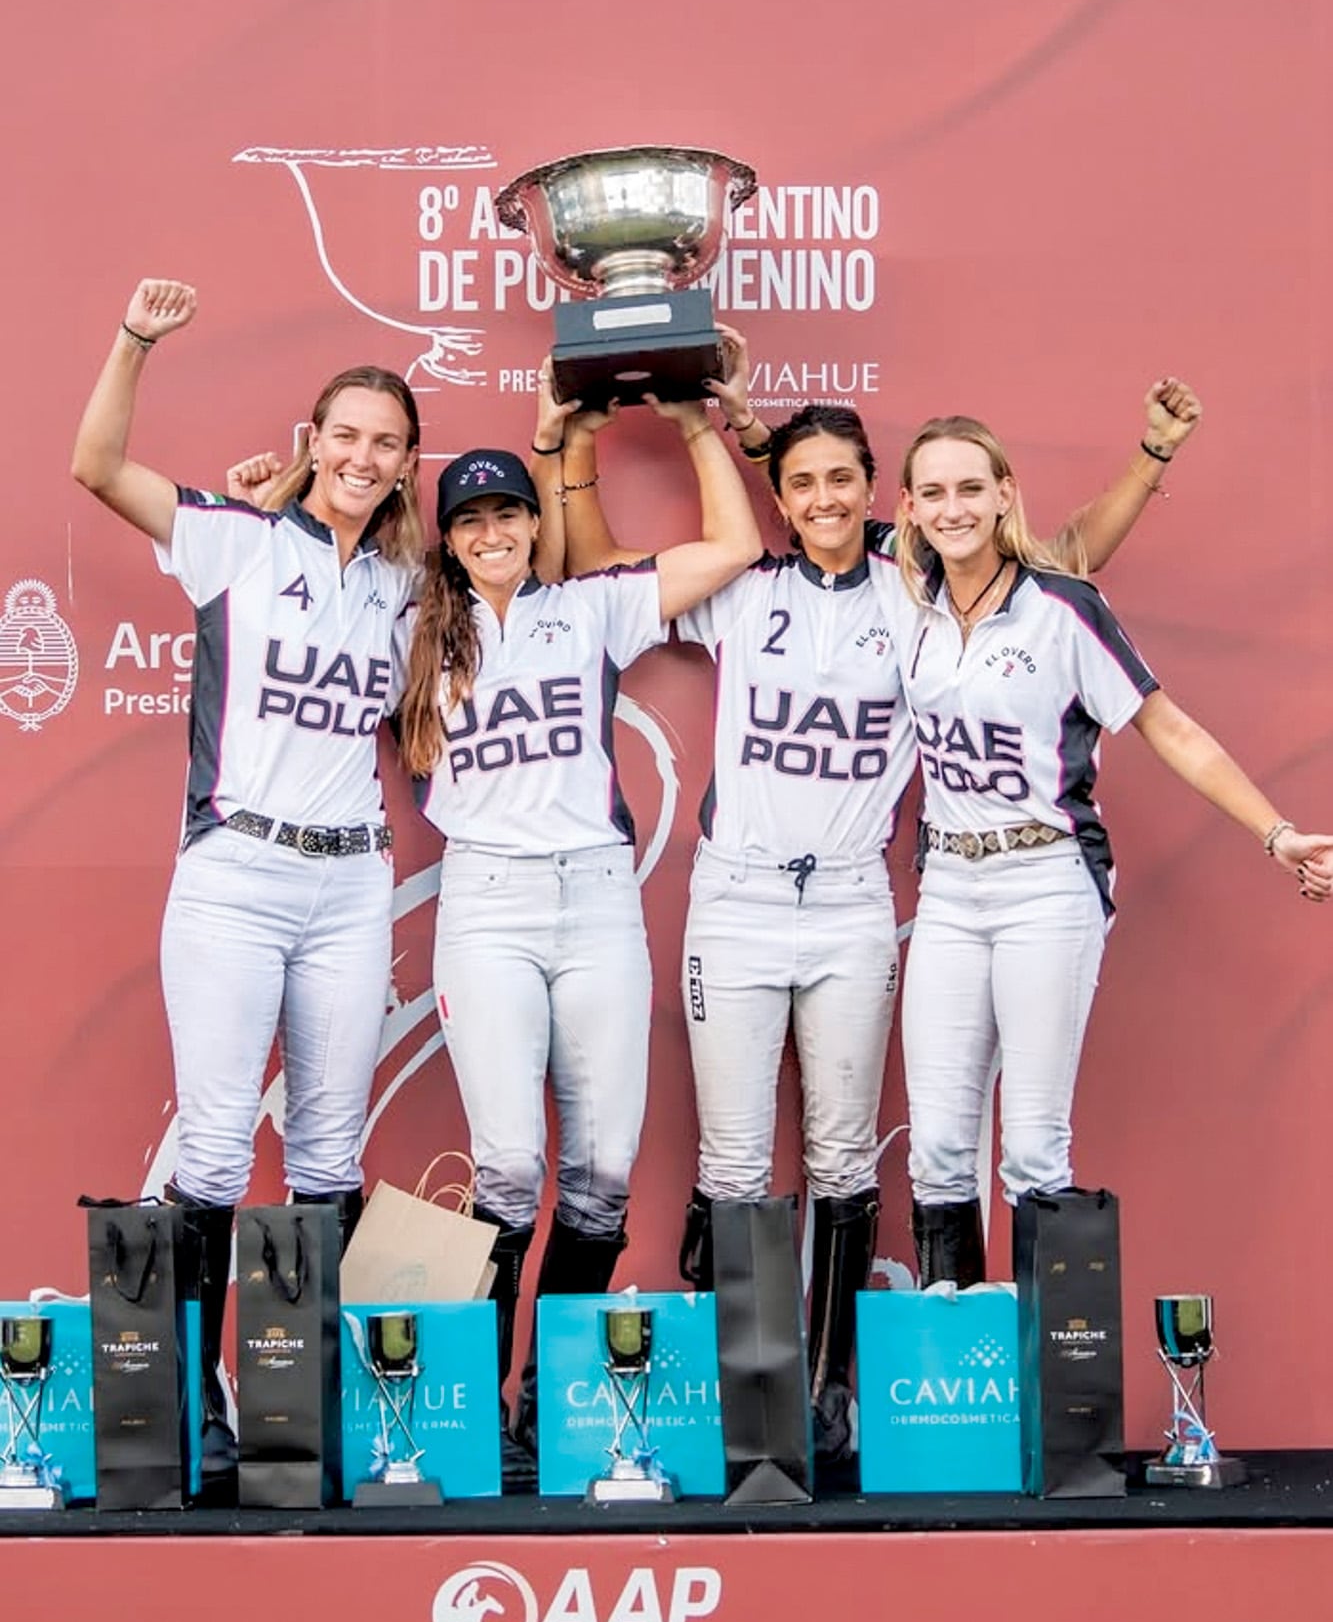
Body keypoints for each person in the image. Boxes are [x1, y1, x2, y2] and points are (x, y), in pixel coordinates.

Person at [560, 333, 1202, 1458]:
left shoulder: (917, 593)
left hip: (856, 902)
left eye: (841, 479)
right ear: (781, 491)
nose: (820, 498)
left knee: (847, 1157)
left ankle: (832, 1393)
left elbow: (1059, 556)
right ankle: (745, 1412)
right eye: (800, 481)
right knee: (730, 1162)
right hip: (738, 901)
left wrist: (1148, 459)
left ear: (877, 492)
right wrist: (591, 445)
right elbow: (597, 564)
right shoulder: (743, 587)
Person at [71, 278, 424, 1479]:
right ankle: (190, 1412)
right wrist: (133, 343)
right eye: (346, 434)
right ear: (312, 440)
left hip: (350, 881)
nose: (363, 455)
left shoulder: (405, 587)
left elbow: (521, 580)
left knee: (328, 1153)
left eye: (386, 441)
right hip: (235, 869)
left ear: (405, 460)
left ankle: (295, 1407)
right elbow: (97, 466)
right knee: (217, 1144)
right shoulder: (235, 537)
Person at [875, 414, 1333, 1286]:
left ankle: (1047, 1395)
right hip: (949, 889)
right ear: (908, 506)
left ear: (1005, 494)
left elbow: (1169, 727)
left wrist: (1273, 833)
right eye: (932, 492)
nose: (953, 507)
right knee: (936, 1143)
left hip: (1045, 880)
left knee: (1033, 1146)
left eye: (971, 487)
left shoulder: (1062, 606)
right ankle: (960, 1389)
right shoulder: (906, 598)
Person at [393, 376, 762, 1458]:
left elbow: (733, 546)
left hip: (595, 898)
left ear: (533, 519)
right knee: (506, 1159)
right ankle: (482, 1410)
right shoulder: (409, 630)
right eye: (470, 518)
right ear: (449, 540)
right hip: (490, 902)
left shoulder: (585, 604)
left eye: (508, 511)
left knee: (600, 1170)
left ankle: (553, 1402)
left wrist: (696, 424)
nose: (492, 530)